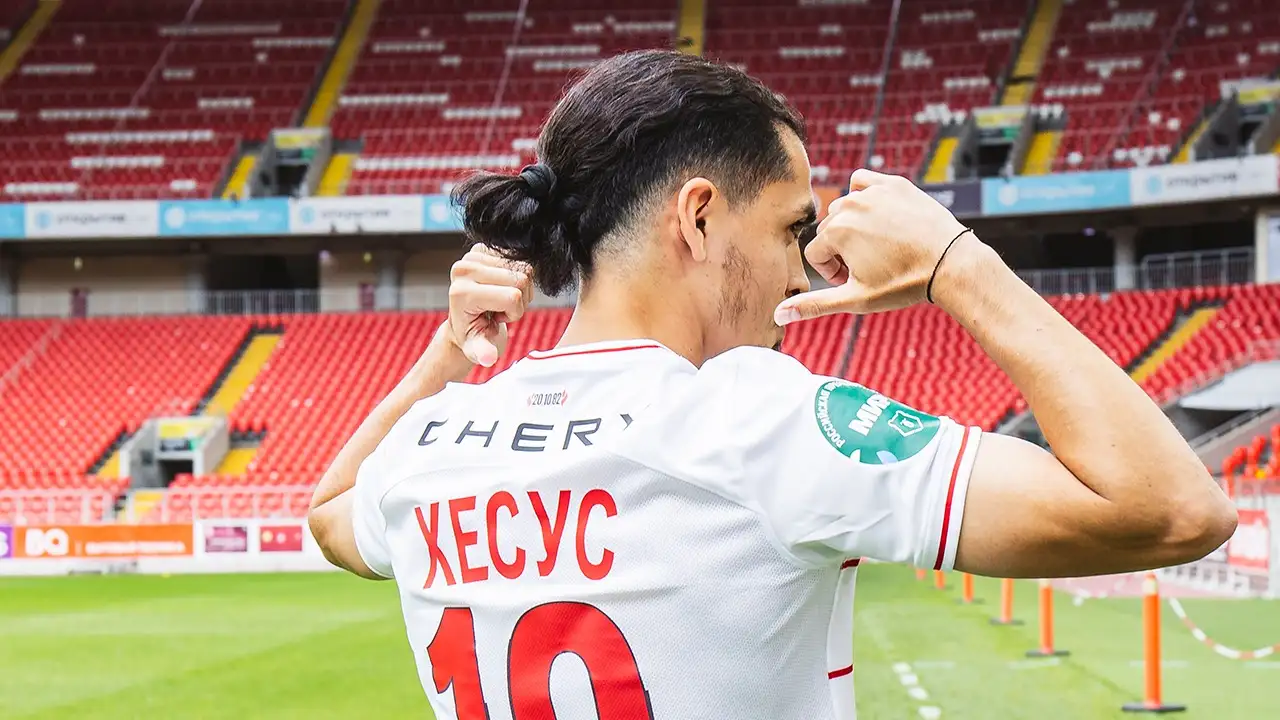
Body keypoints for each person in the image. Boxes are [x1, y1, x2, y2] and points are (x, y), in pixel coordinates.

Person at [308, 50, 1236, 719]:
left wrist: (448, 353)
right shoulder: (756, 416)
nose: (801, 272)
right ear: (700, 218)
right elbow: (1172, 511)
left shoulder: (433, 444)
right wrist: (960, 264)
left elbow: (329, 514)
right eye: (793, 229)